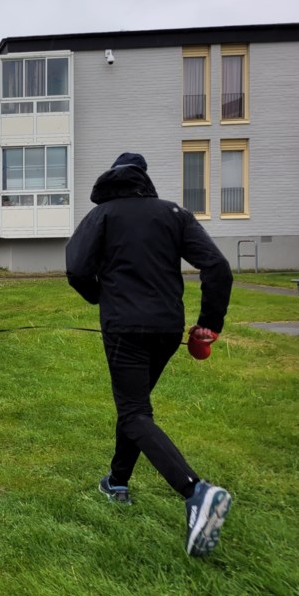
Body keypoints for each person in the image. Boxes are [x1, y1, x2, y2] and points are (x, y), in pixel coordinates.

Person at [65, 152, 234, 558]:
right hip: (165, 329)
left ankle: (196, 491)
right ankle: (117, 481)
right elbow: (218, 267)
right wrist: (209, 323)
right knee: (137, 407)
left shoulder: (102, 215)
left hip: (124, 328)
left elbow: (76, 268)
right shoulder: (174, 214)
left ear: (112, 178)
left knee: (134, 412)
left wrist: (101, 297)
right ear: (144, 180)